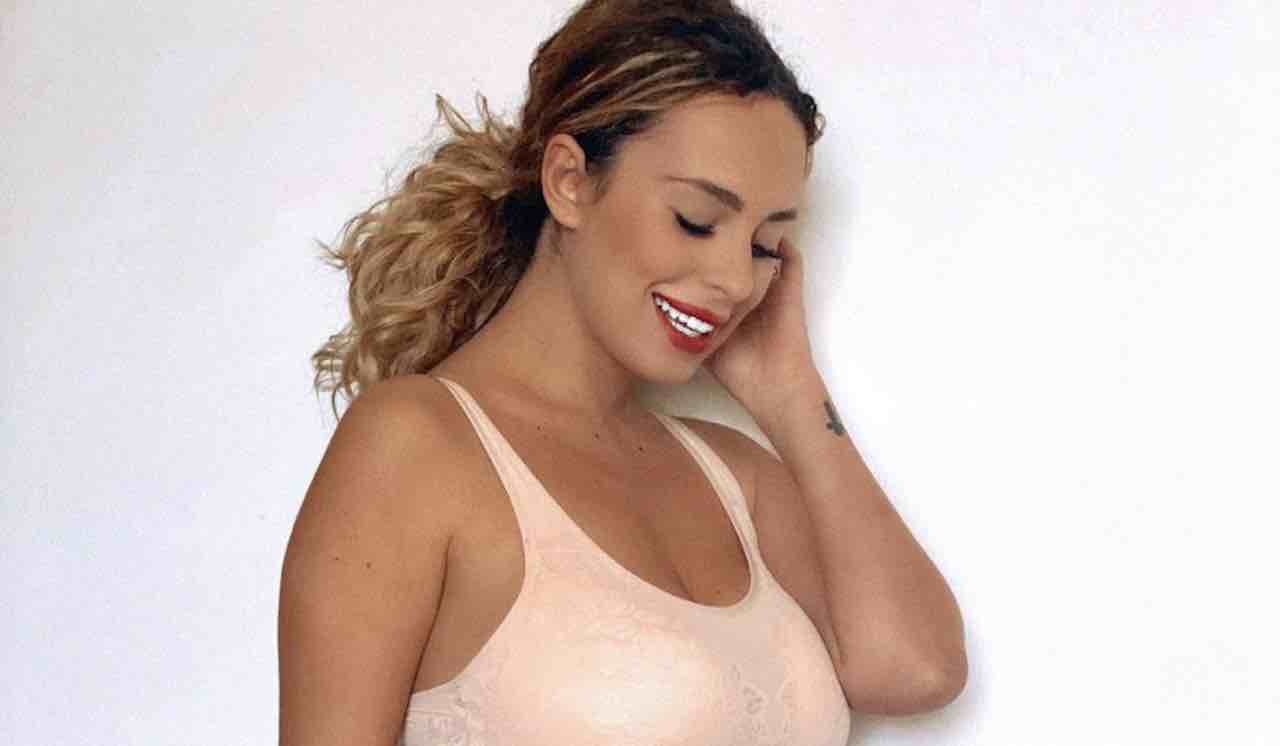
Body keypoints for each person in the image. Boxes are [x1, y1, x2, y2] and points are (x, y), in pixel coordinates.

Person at [278, 0, 968, 743]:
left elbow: (916, 671)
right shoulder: (414, 446)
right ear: (569, 181)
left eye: (764, 245)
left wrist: (792, 394)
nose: (737, 280)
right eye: (696, 220)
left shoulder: (736, 478)